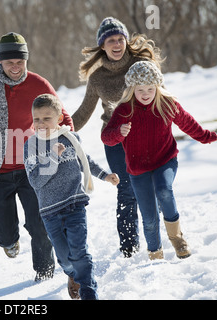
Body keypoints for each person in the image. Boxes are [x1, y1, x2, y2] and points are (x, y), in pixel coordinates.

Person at [0, 32, 74, 281]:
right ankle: (9, 242)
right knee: (5, 233)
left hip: (34, 167)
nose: (16, 68)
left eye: (21, 62)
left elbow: (64, 118)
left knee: (40, 227)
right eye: (10, 63)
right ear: (0, 62)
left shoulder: (39, 84)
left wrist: (62, 143)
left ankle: (44, 277)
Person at [101, 61, 217, 260]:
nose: (146, 93)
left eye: (150, 88)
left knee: (164, 190)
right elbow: (106, 137)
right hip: (137, 168)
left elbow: (188, 123)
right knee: (148, 217)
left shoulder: (166, 104)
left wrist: (206, 136)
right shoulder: (124, 109)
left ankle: (178, 240)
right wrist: (119, 133)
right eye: (140, 89)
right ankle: (155, 253)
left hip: (165, 160)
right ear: (132, 89)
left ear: (158, 87)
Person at [71, 17, 164, 258]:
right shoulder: (98, 78)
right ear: (102, 45)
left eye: (120, 39)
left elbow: (160, 95)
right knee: (125, 189)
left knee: (148, 186)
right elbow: (83, 112)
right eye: (111, 40)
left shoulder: (141, 64)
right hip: (114, 138)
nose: (117, 44)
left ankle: (155, 240)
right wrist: (60, 130)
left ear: (126, 41)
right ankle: (129, 248)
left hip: (144, 135)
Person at [24, 94, 120, 300]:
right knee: (66, 259)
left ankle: (88, 290)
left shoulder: (71, 138)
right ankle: (72, 275)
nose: (41, 123)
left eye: (46, 118)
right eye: (36, 119)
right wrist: (52, 158)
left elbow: (86, 161)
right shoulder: (31, 146)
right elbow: (35, 181)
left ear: (59, 119)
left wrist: (105, 175)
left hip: (75, 204)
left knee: (79, 253)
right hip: (50, 211)